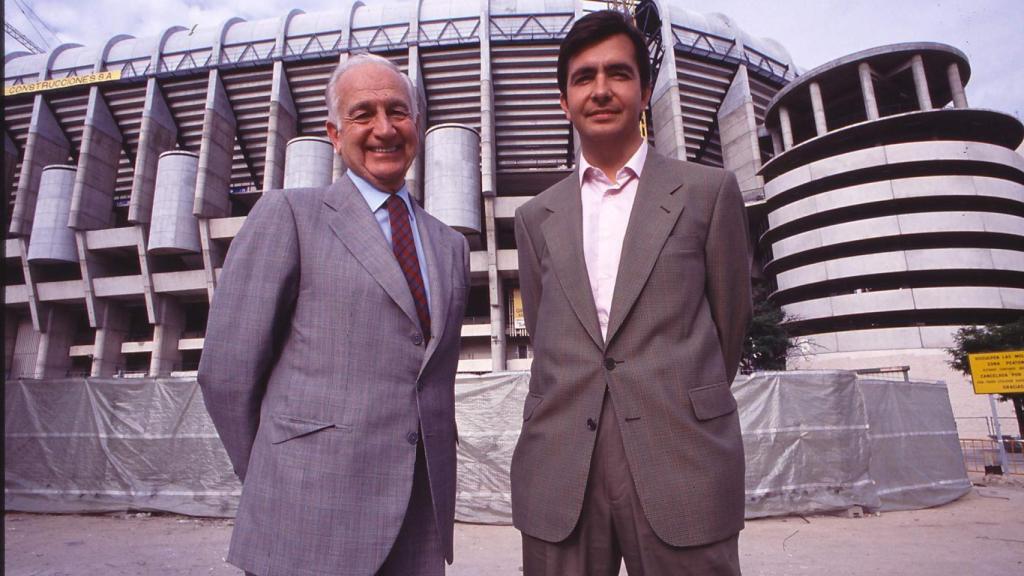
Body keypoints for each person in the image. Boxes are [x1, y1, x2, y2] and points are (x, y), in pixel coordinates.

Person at [198, 53, 470, 576]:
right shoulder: (289, 216)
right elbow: (227, 373)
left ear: (418, 123)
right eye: (363, 113)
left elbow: (432, 379)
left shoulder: (450, 246)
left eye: (398, 111)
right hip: (305, 514)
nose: (384, 128)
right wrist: (277, 473)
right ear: (333, 132)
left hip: (418, 518)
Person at [511, 10, 752, 575]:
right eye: (583, 77)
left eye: (618, 74)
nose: (600, 90)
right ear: (563, 100)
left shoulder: (708, 193)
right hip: (562, 462)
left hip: (681, 455)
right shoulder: (535, 216)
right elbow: (550, 331)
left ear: (645, 92)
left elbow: (729, 329)